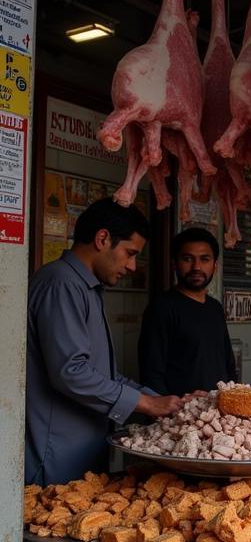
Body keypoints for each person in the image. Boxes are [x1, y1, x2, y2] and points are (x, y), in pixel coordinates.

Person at [25, 198, 185, 485]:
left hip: (82, 455)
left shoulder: (85, 288)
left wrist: (166, 403)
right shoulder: (61, 284)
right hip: (55, 460)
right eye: (130, 253)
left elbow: (102, 374)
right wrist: (146, 403)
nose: (133, 265)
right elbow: (70, 373)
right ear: (102, 239)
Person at [138, 227, 236, 395]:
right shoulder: (162, 308)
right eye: (187, 259)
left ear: (215, 265)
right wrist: (166, 414)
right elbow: (151, 372)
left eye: (204, 259)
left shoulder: (215, 307)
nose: (196, 267)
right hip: (181, 414)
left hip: (218, 413)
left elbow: (228, 362)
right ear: (175, 263)